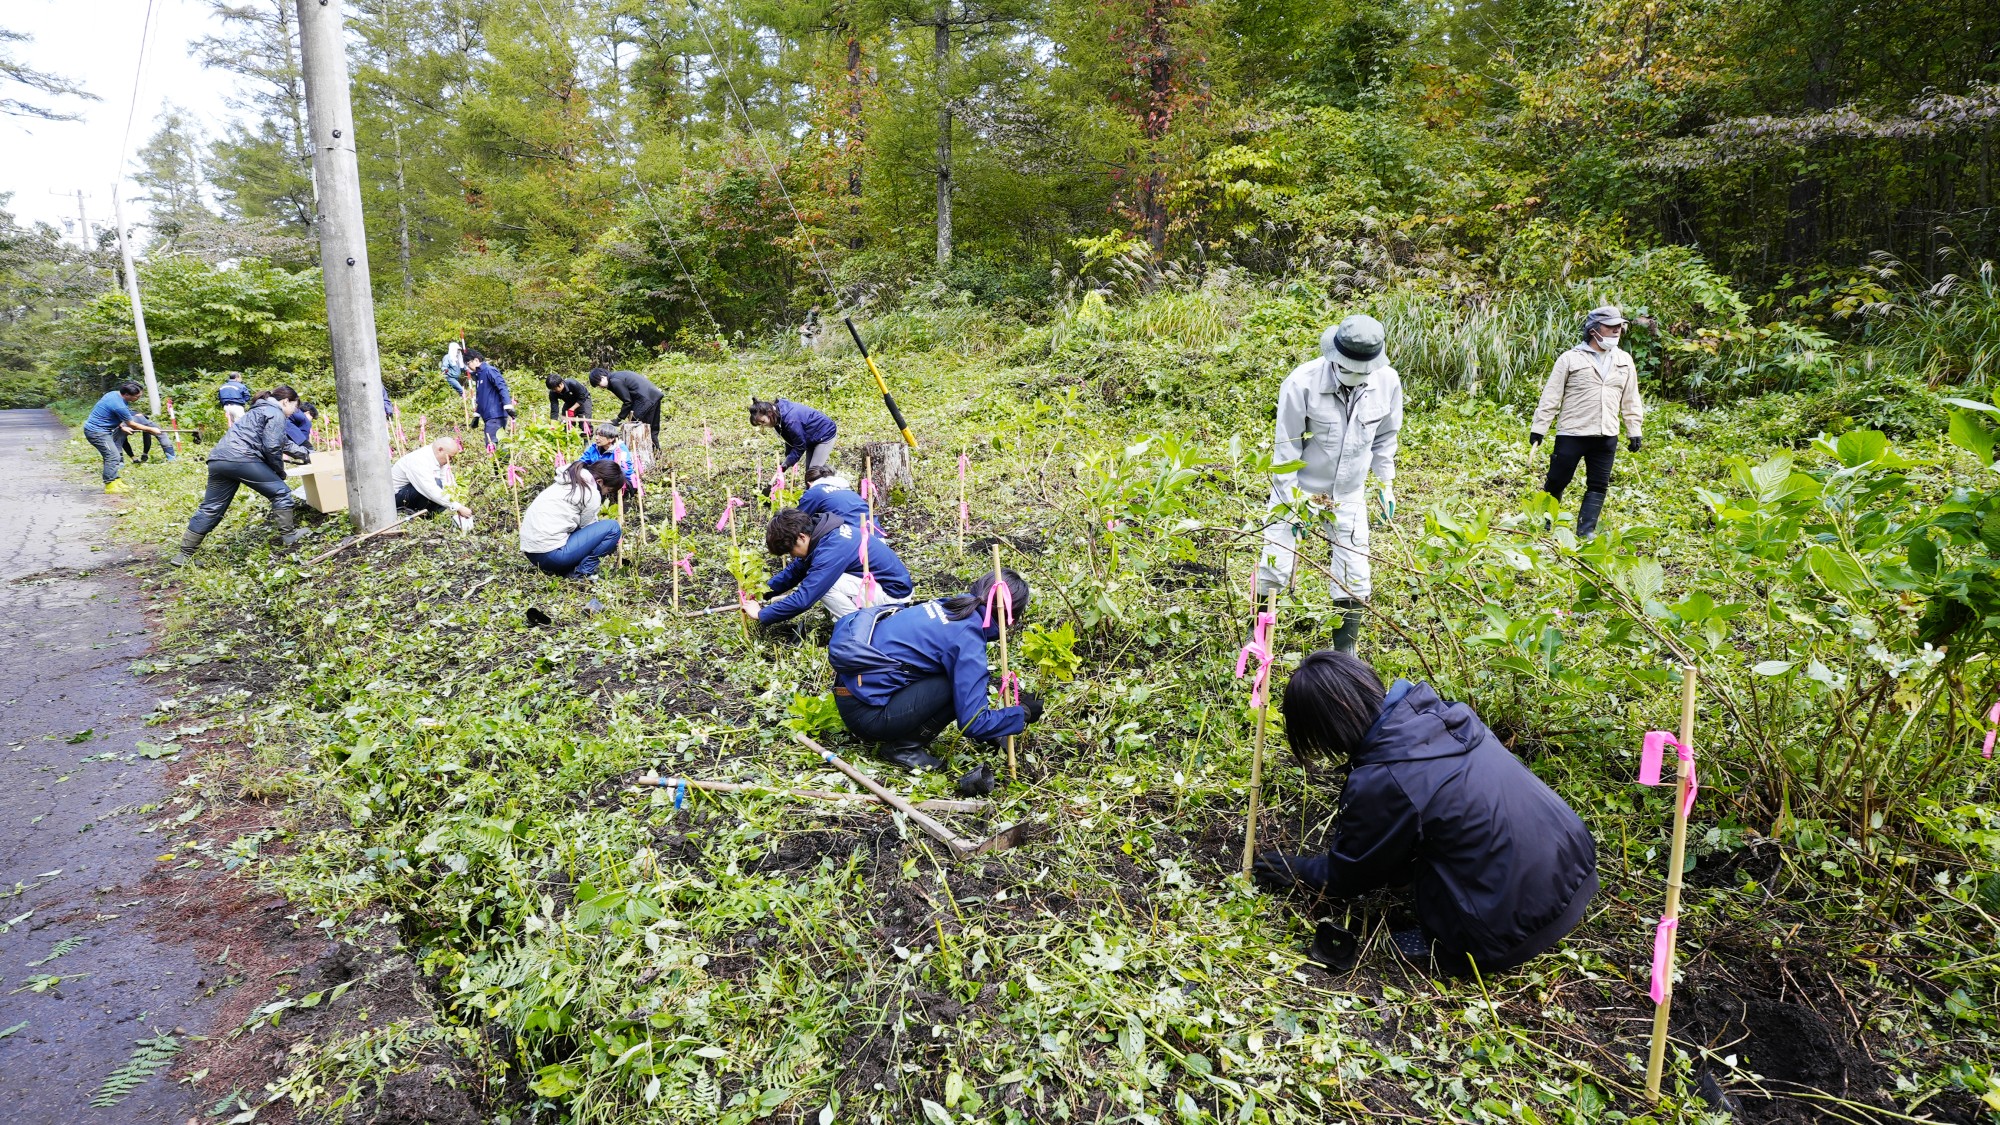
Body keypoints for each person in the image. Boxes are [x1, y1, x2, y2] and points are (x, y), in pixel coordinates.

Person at [1252, 651, 1598, 976]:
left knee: (1426, 889)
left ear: (1325, 729)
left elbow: (1349, 876)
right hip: (1576, 868)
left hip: (1508, 930)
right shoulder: (1442, 718)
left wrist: (1293, 869)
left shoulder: (1384, 778)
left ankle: (1445, 943)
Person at [1255, 314, 1403, 654]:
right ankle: (1259, 644)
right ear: (1333, 357)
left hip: (1348, 494)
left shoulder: (1388, 382)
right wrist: (1293, 505)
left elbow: (1385, 439)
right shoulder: (1301, 383)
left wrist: (1385, 484)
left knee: (1355, 576)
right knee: (1273, 568)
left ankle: (1345, 657)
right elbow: (1286, 449)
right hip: (1299, 488)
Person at [827, 569, 1043, 776]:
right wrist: (1021, 712)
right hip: (866, 715)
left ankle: (989, 733)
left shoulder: (947, 605)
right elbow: (973, 723)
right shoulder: (967, 637)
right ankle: (903, 748)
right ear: (1010, 617)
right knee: (955, 685)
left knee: (964, 679)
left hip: (852, 692)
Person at [1530, 305, 1645, 542]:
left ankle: (1586, 531)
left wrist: (1634, 430)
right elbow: (1551, 396)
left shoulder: (1624, 360)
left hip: (1606, 434)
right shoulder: (1570, 359)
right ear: (1594, 330)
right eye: (1610, 327)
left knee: (1598, 484)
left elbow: (1631, 398)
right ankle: (1544, 524)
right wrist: (1539, 428)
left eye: (1619, 327)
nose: (1616, 331)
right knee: (1557, 480)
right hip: (1572, 432)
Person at [170, 386, 309, 565]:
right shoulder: (276, 413)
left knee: (211, 507)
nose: (293, 413)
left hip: (219, 459)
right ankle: (289, 536)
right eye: (294, 408)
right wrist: (279, 471)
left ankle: (184, 555)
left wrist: (306, 454)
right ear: (285, 402)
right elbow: (272, 447)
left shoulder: (257, 411)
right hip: (242, 458)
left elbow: (282, 442)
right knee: (281, 492)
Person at [745, 507, 911, 627]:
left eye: (791, 551)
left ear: (801, 537)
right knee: (821, 581)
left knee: (826, 587)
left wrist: (761, 614)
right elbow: (797, 570)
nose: (793, 556)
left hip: (893, 595)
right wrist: (762, 592)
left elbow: (805, 598)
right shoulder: (822, 535)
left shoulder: (832, 549)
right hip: (880, 586)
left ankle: (860, 628)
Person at [519, 459, 625, 580]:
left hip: (532, 553)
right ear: (600, 482)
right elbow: (588, 527)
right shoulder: (591, 491)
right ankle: (581, 573)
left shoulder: (569, 480)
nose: (605, 495)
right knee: (613, 528)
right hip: (552, 555)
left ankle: (567, 568)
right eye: (608, 490)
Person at [83, 381, 162, 492]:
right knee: (112, 456)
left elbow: (110, 414)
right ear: (126, 395)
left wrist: (121, 426)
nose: (138, 398)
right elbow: (132, 424)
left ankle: (116, 481)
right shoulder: (119, 405)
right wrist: (151, 429)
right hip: (97, 433)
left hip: (101, 430)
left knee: (112, 455)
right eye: (137, 396)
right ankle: (110, 485)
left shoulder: (114, 394)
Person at [390, 436, 474, 529]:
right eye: (449, 457)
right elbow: (429, 489)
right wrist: (457, 507)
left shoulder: (440, 459)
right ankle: (415, 515)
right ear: (440, 450)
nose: (450, 461)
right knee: (437, 487)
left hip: (415, 492)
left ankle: (427, 516)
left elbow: (447, 481)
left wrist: (458, 503)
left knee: (444, 491)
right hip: (396, 498)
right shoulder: (419, 459)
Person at [749, 396, 837, 473]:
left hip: (824, 433)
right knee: (810, 471)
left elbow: (800, 446)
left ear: (769, 413)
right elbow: (790, 438)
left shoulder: (791, 420)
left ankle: (832, 482)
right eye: (760, 424)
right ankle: (825, 476)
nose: (764, 425)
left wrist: (788, 463)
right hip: (810, 435)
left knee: (813, 473)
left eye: (763, 421)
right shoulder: (777, 416)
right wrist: (788, 457)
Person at [590, 367, 663, 452]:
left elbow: (627, 402)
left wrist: (618, 419)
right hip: (653, 396)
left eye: (598, 384)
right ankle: (656, 453)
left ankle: (639, 454)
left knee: (635, 426)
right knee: (652, 429)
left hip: (645, 400)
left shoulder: (614, 381)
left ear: (602, 377)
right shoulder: (618, 376)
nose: (600, 387)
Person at [466, 348, 515, 447]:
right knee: (495, 444)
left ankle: (502, 462)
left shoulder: (489, 370)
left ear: (476, 360)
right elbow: (481, 398)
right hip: (488, 416)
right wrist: (477, 416)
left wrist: (508, 406)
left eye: (468, 363)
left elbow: (502, 387)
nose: (468, 367)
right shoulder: (479, 376)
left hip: (495, 415)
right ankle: (502, 461)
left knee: (492, 444)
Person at [798, 465, 871, 529]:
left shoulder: (814, 491)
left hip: (848, 535)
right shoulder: (850, 492)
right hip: (874, 532)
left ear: (809, 484)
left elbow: (798, 521)